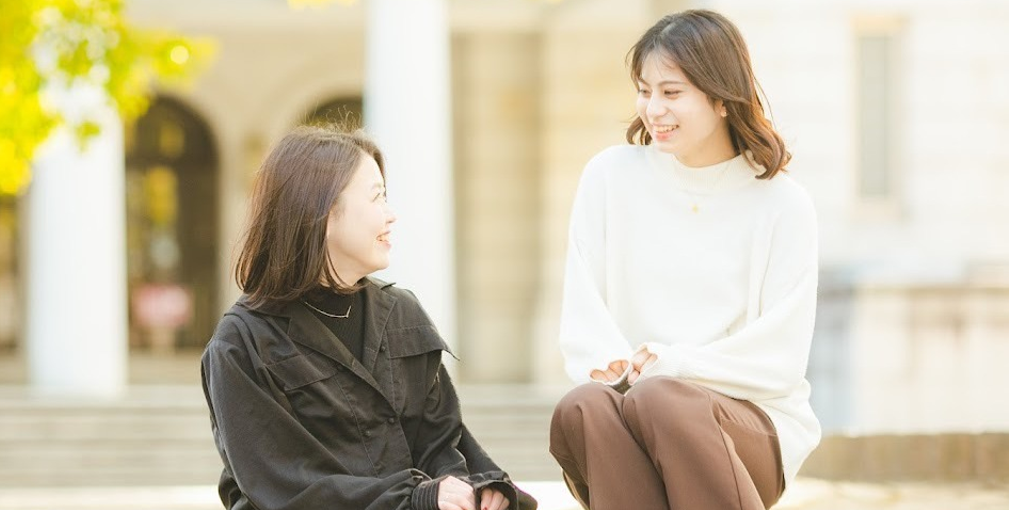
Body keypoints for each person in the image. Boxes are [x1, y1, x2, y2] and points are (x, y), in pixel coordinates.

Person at [548, 9, 821, 510]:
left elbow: (779, 360)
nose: (653, 109)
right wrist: (623, 372)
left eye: (671, 93)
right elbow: (584, 317)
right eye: (644, 90)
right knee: (582, 406)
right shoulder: (610, 177)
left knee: (663, 399)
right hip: (632, 408)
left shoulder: (781, 203)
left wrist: (674, 366)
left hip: (749, 429)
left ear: (720, 97)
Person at [201, 126, 536, 510]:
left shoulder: (402, 314)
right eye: (377, 198)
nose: (391, 216)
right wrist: (416, 500)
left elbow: (441, 442)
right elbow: (285, 487)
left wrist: (477, 487)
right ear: (321, 212)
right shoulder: (243, 342)